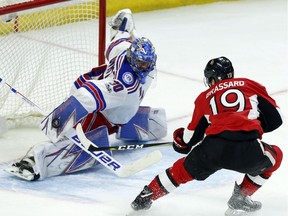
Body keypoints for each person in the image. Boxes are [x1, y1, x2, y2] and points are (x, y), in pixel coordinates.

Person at [5, 9, 167, 181]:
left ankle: (125, 123)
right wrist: (58, 121)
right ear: (132, 59)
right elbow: (88, 96)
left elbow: (119, 35)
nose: (144, 68)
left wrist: (125, 21)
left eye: (147, 63)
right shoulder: (124, 85)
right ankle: (35, 162)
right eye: (140, 63)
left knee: (155, 124)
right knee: (94, 144)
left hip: (116, 108)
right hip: (99, 111)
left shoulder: (123, 48)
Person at [130, 56, 283, 215]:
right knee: (276, 155)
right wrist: (250, 125)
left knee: (181, 171)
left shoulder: (206, 96)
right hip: (247, 149)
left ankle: (143, 198)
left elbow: (188, 141)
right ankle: (241, 196)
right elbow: (276, 120)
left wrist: (179, 141)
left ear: (212, 78)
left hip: (212, 149)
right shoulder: (250, 85)